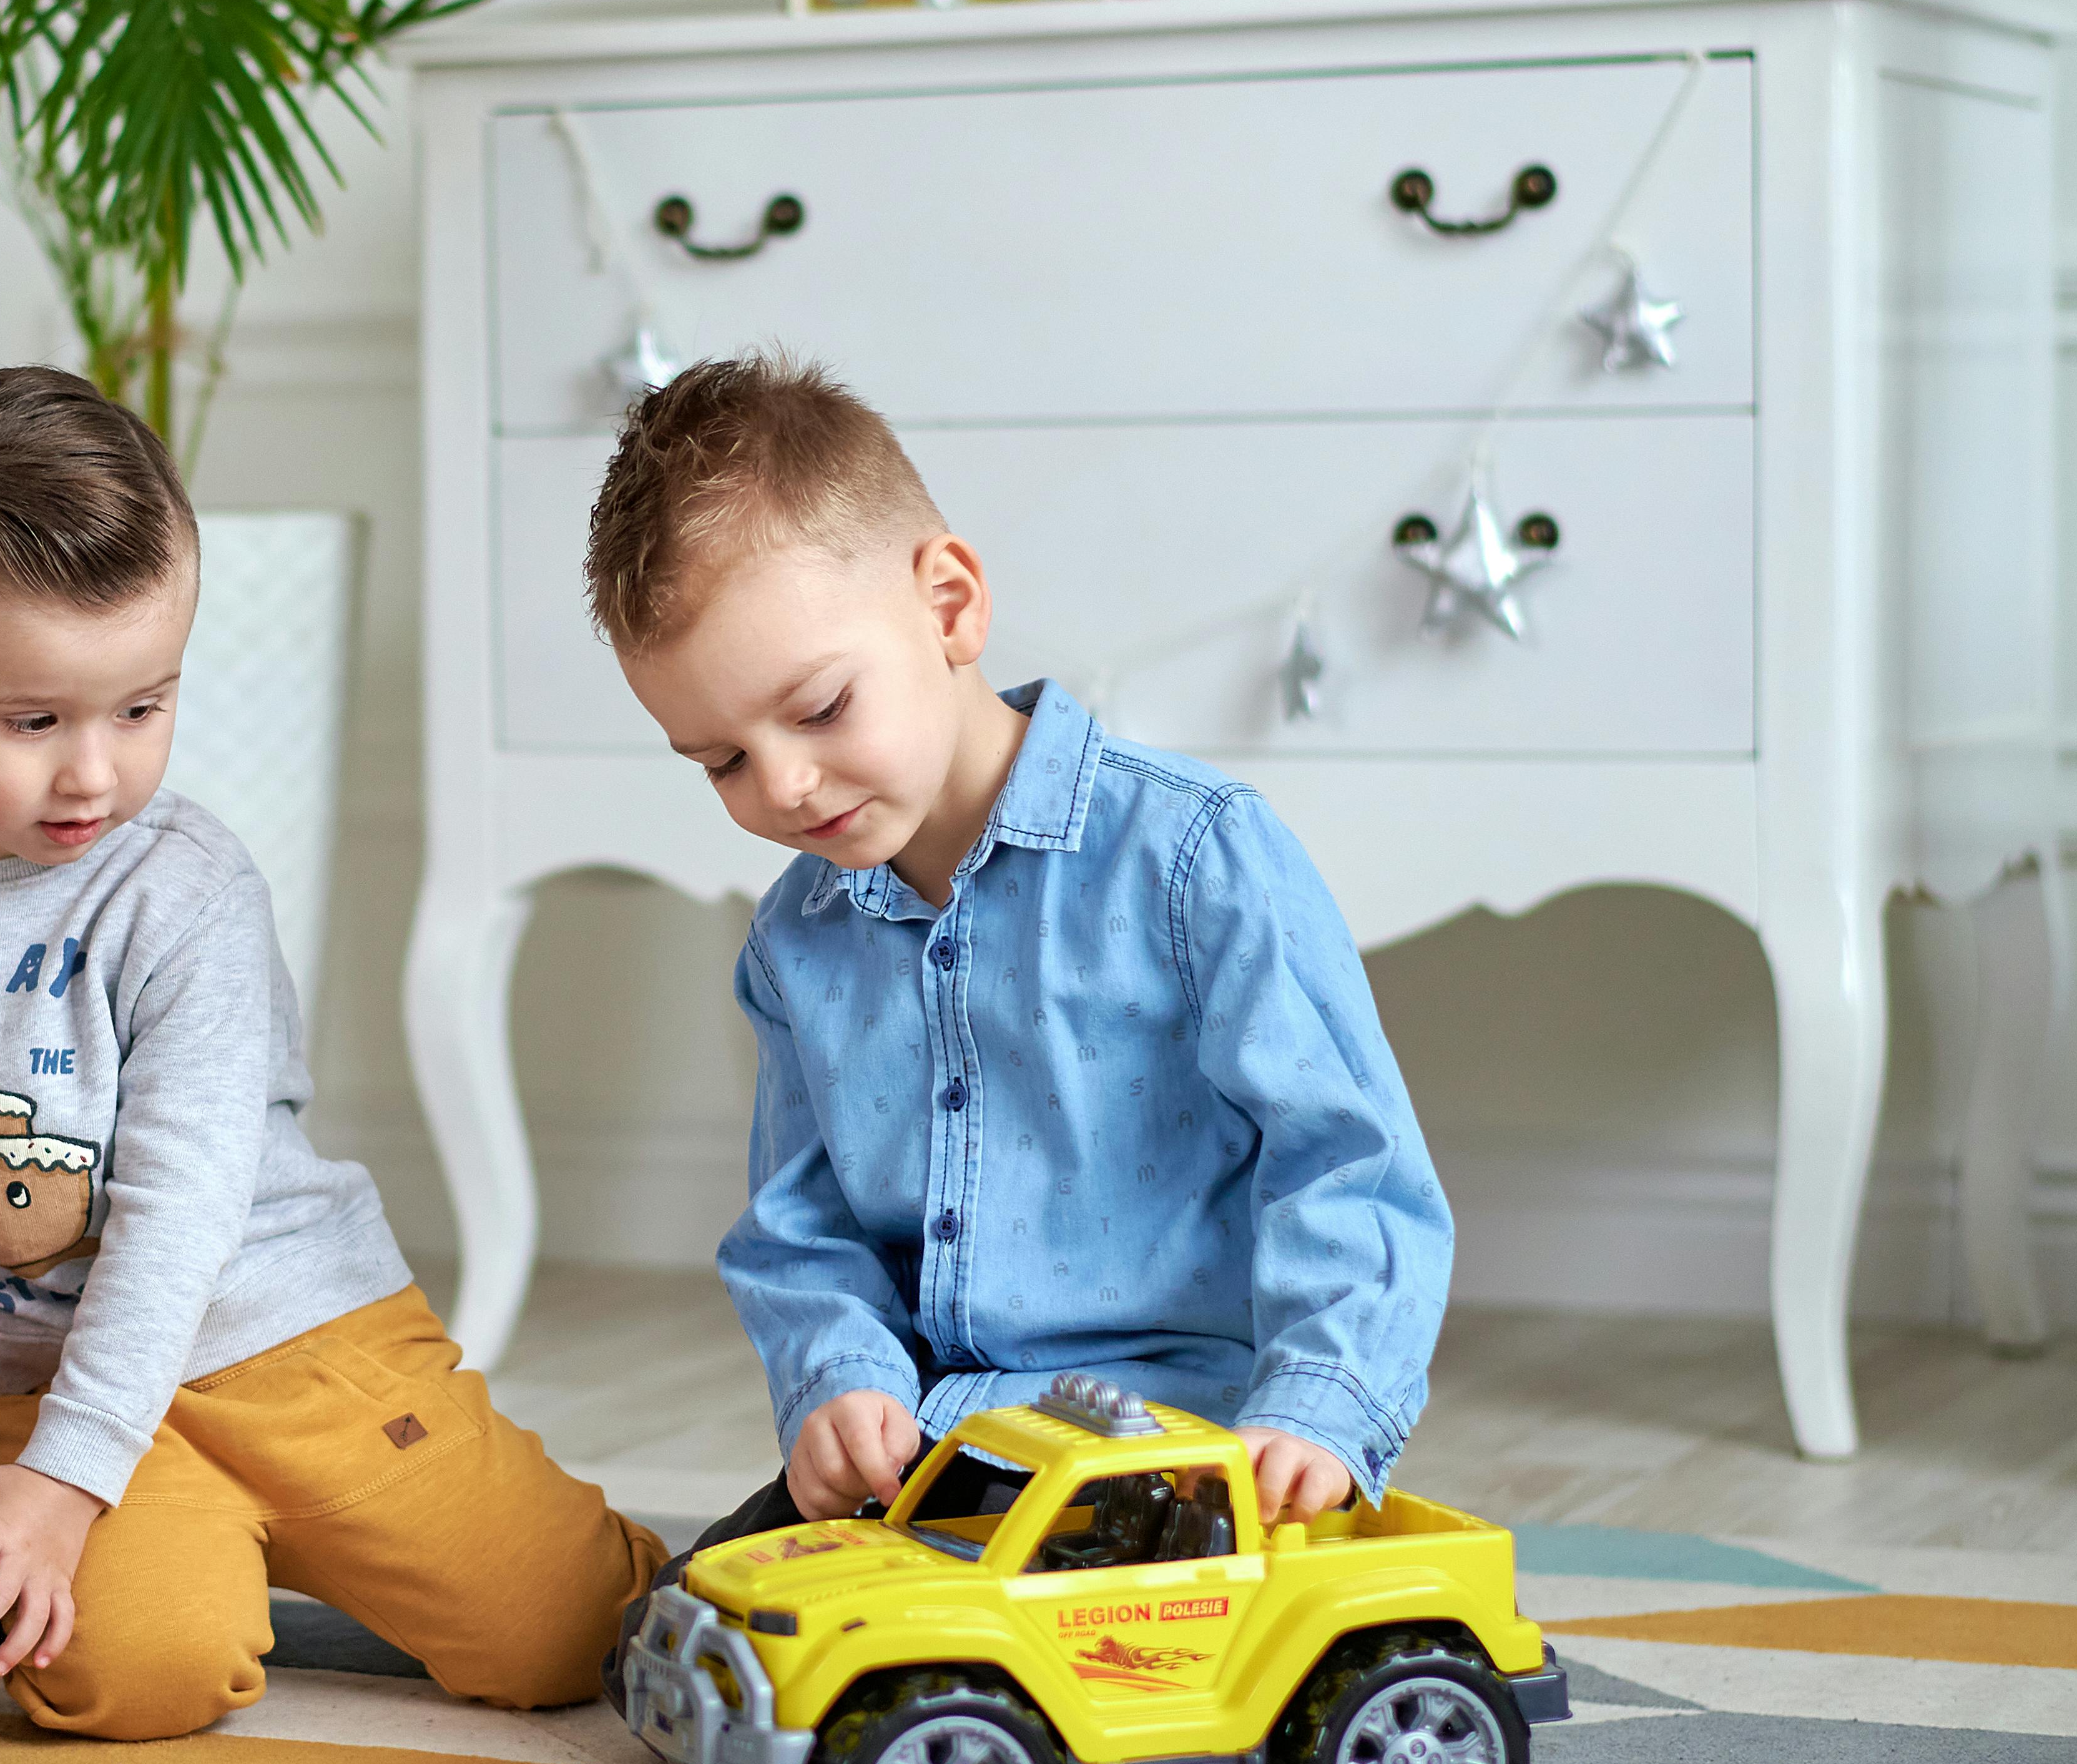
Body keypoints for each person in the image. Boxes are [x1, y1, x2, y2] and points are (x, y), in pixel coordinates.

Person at [0, 366, 662, 1738]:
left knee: (572, 1634)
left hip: (293, 1342)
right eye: (35, 720)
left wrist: (72, 1480)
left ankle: (521, 1546)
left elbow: (179, 1211)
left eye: (142, 706)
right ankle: (182, 1541)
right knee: (126, 1678)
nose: (95, 772)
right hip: (51, 1378)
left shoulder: (188, 889)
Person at [586, 353, 1450, 1570]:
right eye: (720, 759)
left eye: (821, 708)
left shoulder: (1198, 855)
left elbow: (1348, 1158)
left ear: (949, 605)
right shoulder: (799, 938)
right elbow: (805, 1221)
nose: (780, 783)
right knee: (700, 1627)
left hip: (1178, 1447)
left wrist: (1322, 1402)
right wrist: (840, 1380)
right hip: (941, 1450)